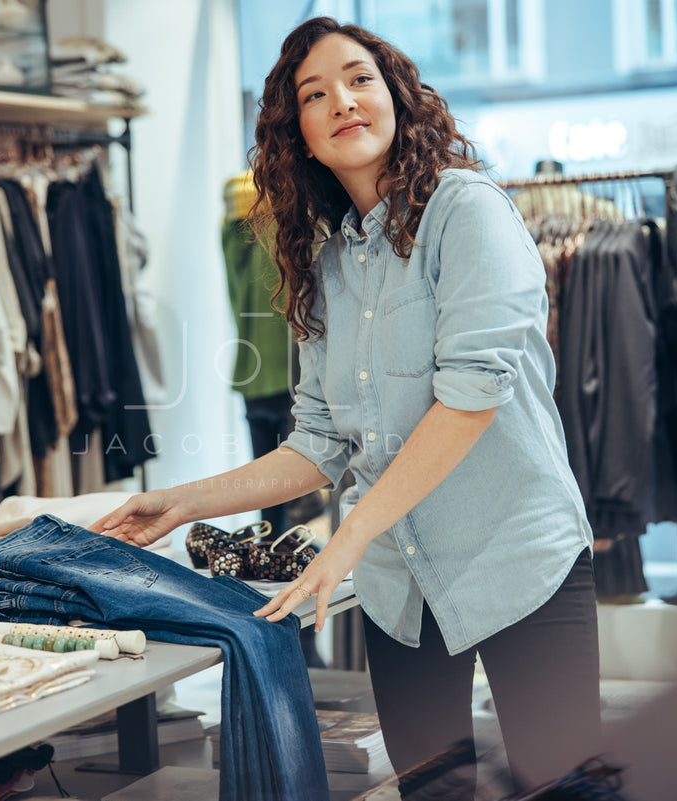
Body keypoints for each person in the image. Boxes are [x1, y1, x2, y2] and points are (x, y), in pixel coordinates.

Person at [92, 17, 600, 793]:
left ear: (397, 94)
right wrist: (177, 503)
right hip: (404, 586)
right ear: (297, 131)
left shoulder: (466, 211)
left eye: (360, 79)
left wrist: (348, 535)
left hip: (518, 559)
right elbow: (319, 442)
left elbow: (471, 396)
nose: (344, 101)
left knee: (568, 790)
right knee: (433, 789)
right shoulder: (325, 261)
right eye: (315, 93)